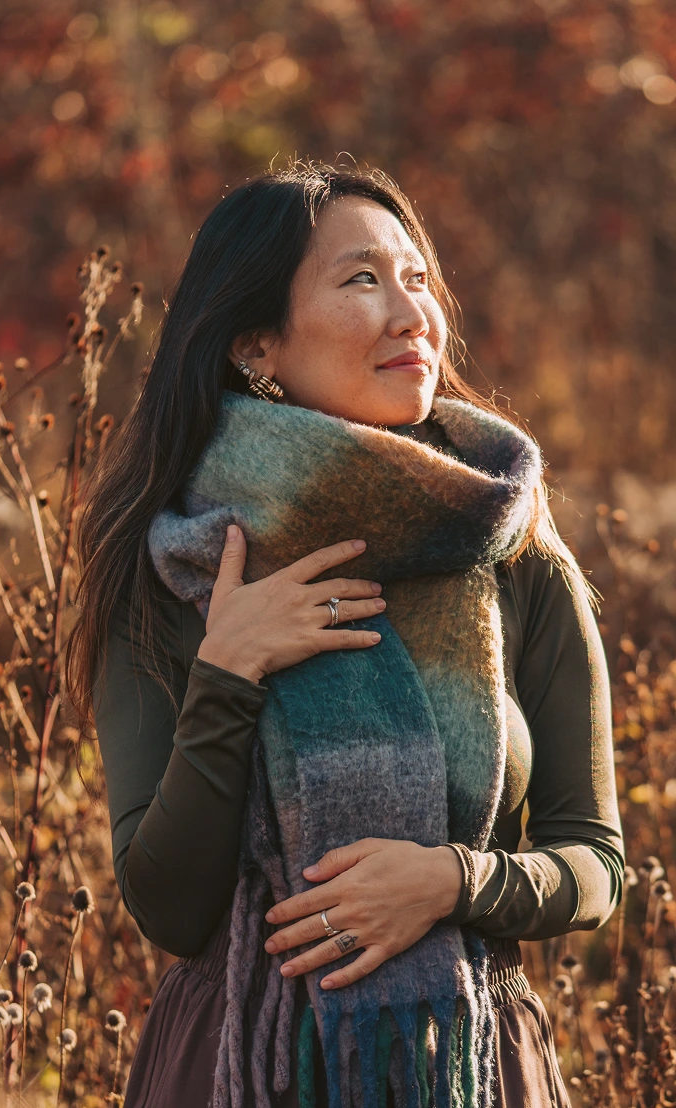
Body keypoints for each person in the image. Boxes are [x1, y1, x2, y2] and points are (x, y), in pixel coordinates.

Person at [65, 160, 625, 1108]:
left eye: (417, 279)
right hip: (236, 1064)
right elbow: (167, 903)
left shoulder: (514, 550)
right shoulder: (175, 566)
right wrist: (230, 669)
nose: (413, 315)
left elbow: (595, 866)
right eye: (362, 280)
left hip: (470, 1056)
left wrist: (452, 882)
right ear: (255, 345)